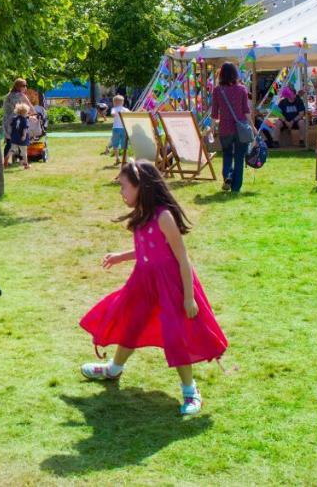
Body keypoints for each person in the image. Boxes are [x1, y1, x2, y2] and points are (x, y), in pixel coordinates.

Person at [79, 160, 228, 416]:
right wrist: (120, 257)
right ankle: (113, 369)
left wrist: (189, 298)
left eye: (124, 187)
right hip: (143, 281)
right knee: (131, 323)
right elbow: (147, 250)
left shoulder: (164, 217)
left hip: (171, 284)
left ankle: (190, 390)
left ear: (141, 186)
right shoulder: (141, 214)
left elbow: (182, 258)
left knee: (176, 334)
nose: (121, 192)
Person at [209, 62, 251, 193]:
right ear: (235, 74)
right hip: (241, 128)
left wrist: (211, 128)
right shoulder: (242, 89)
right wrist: (253, 126)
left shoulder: (217, 90)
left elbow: (214, 113)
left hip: (225, 128)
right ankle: (236, 188)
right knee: (239, 158)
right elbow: (246, 111)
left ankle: (228, 175)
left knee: (227, 155)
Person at [9, 102, 33, 169]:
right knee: (24, 152)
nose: (27, 113)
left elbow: (12, 127)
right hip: (22, 137)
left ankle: (5, 161)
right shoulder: (24, 119)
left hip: (14, 137)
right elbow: (25, 128)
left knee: (12, 150)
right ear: (24, 112)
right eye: (26, 112)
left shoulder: (15, 118)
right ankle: (26, 165)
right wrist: (24, 136)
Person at [108, 94, 128, 165]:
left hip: (116, 128)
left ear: (114, 102)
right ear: (122, 102)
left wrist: (116, 113)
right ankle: (125, 159)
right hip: (124, 128)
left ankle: (117, 158)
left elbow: (113, 114)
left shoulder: (114, 109)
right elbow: (130, 114)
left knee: (115, 144)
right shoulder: (125, 109)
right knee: (124, 144)